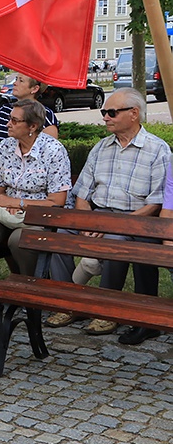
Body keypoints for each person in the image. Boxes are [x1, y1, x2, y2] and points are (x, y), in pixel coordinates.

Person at [48, 88, 171, 344]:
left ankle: (107, 309)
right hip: (98, 213)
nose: (105, 117)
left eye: (111, 112)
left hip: (135, 217)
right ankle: (68, 303)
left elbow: (155, 203)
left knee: (115, 239)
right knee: (61, 235)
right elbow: (82, 194)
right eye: (104, 112)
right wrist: (87, 221)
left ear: (134, 114)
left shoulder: (158, 150)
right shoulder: (101, 148)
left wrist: (113, 224)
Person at [0, 98, 71, 314]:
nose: (8, 124)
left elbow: (57, 201)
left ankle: (28, 290)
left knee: (19, 239)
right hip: (6, 211)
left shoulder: (53, 151)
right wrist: (8, 205)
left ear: (32, 127)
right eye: (9, 119)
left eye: (15, 121)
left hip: (41, 215)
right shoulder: (6, 147)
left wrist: (20, 203)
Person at [0, 73, 59, 166]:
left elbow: (51, 152)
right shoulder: (4, 110)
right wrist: (1, 170)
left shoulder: (45, 115)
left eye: (21, 81)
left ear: (34, 89)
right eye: (16, 79)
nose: (15, 83)